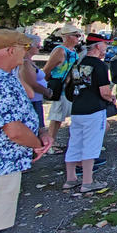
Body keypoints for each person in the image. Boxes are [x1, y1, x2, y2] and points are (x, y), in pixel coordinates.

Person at [0, 30, 52, 233]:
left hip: (8, 161)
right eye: (23, 48)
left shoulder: (8, 76)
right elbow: (13, 130)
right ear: (9, 50)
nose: (27, 53)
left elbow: (26, 103)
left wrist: (41, 131)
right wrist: (37, 145)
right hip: (0, 163)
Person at [62, 33, 116, 193]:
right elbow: (104, 91)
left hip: (77, 108)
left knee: (74, 143)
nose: (106, 48)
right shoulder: (100, 65)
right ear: (98, 46)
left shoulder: (78, 63)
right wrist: (111, 98)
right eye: (105, 44)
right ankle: (87, 181)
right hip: (94, 109)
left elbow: (69, 86)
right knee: (91, 144)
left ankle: (70, 178)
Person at [43, 23, 81, 152]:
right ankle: (50, 144)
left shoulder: (73, 51)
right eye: (76, 35)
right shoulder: (60, 51)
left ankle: (54, 142)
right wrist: (47, 85)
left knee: (65, 115)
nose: (79, 38)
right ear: (68, 37)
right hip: (60, 88)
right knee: (56, 117)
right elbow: (47, 70)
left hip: (70, 88)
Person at [22, 34, 52, 127]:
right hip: (32, 101)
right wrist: (46, 92)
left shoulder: (29, 61)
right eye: (37, 45)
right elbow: (32, 83)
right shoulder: (25, 63)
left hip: (36, 99)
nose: (40, 48)